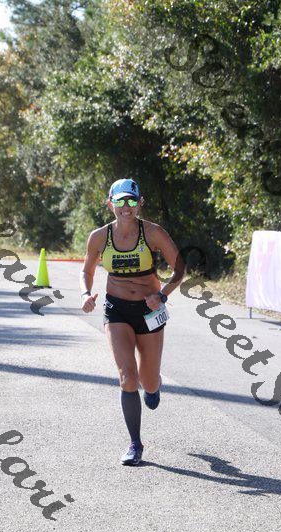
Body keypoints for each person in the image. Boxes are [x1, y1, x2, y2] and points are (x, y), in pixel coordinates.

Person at [79, 178, 185, 466]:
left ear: (140, 203)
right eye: (120, 201)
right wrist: (86, 294)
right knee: (128, 377)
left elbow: (180, 268)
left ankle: (154, 385)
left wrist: (162, 295)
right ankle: (135, 444)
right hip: (117, 310)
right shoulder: (99, 237)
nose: (126, 207)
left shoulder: (153, 233)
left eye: (131, 201)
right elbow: (86, 270)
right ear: (110, 204)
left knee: (147, 381)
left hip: (149, 311)